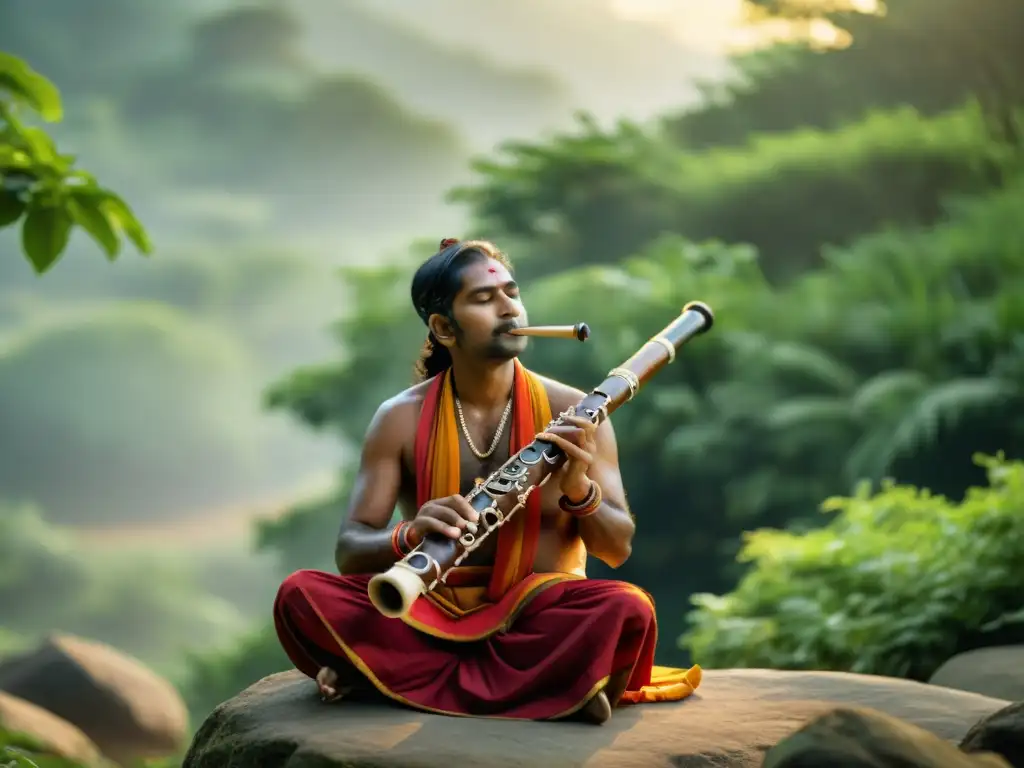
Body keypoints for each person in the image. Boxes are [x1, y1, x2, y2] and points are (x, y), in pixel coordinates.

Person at [273, 238, 702, 724]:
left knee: (626, 608)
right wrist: (411, 534)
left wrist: (578, 488)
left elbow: (617, 548)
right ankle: (552, 691)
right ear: (443, 328)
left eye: (511, 294)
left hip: (537, 610)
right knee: (301, 593)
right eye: (483, 299)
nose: (508, 308)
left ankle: (386, 678)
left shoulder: (576, 410)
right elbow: (350, 550)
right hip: (425, 606)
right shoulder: (399, 418)